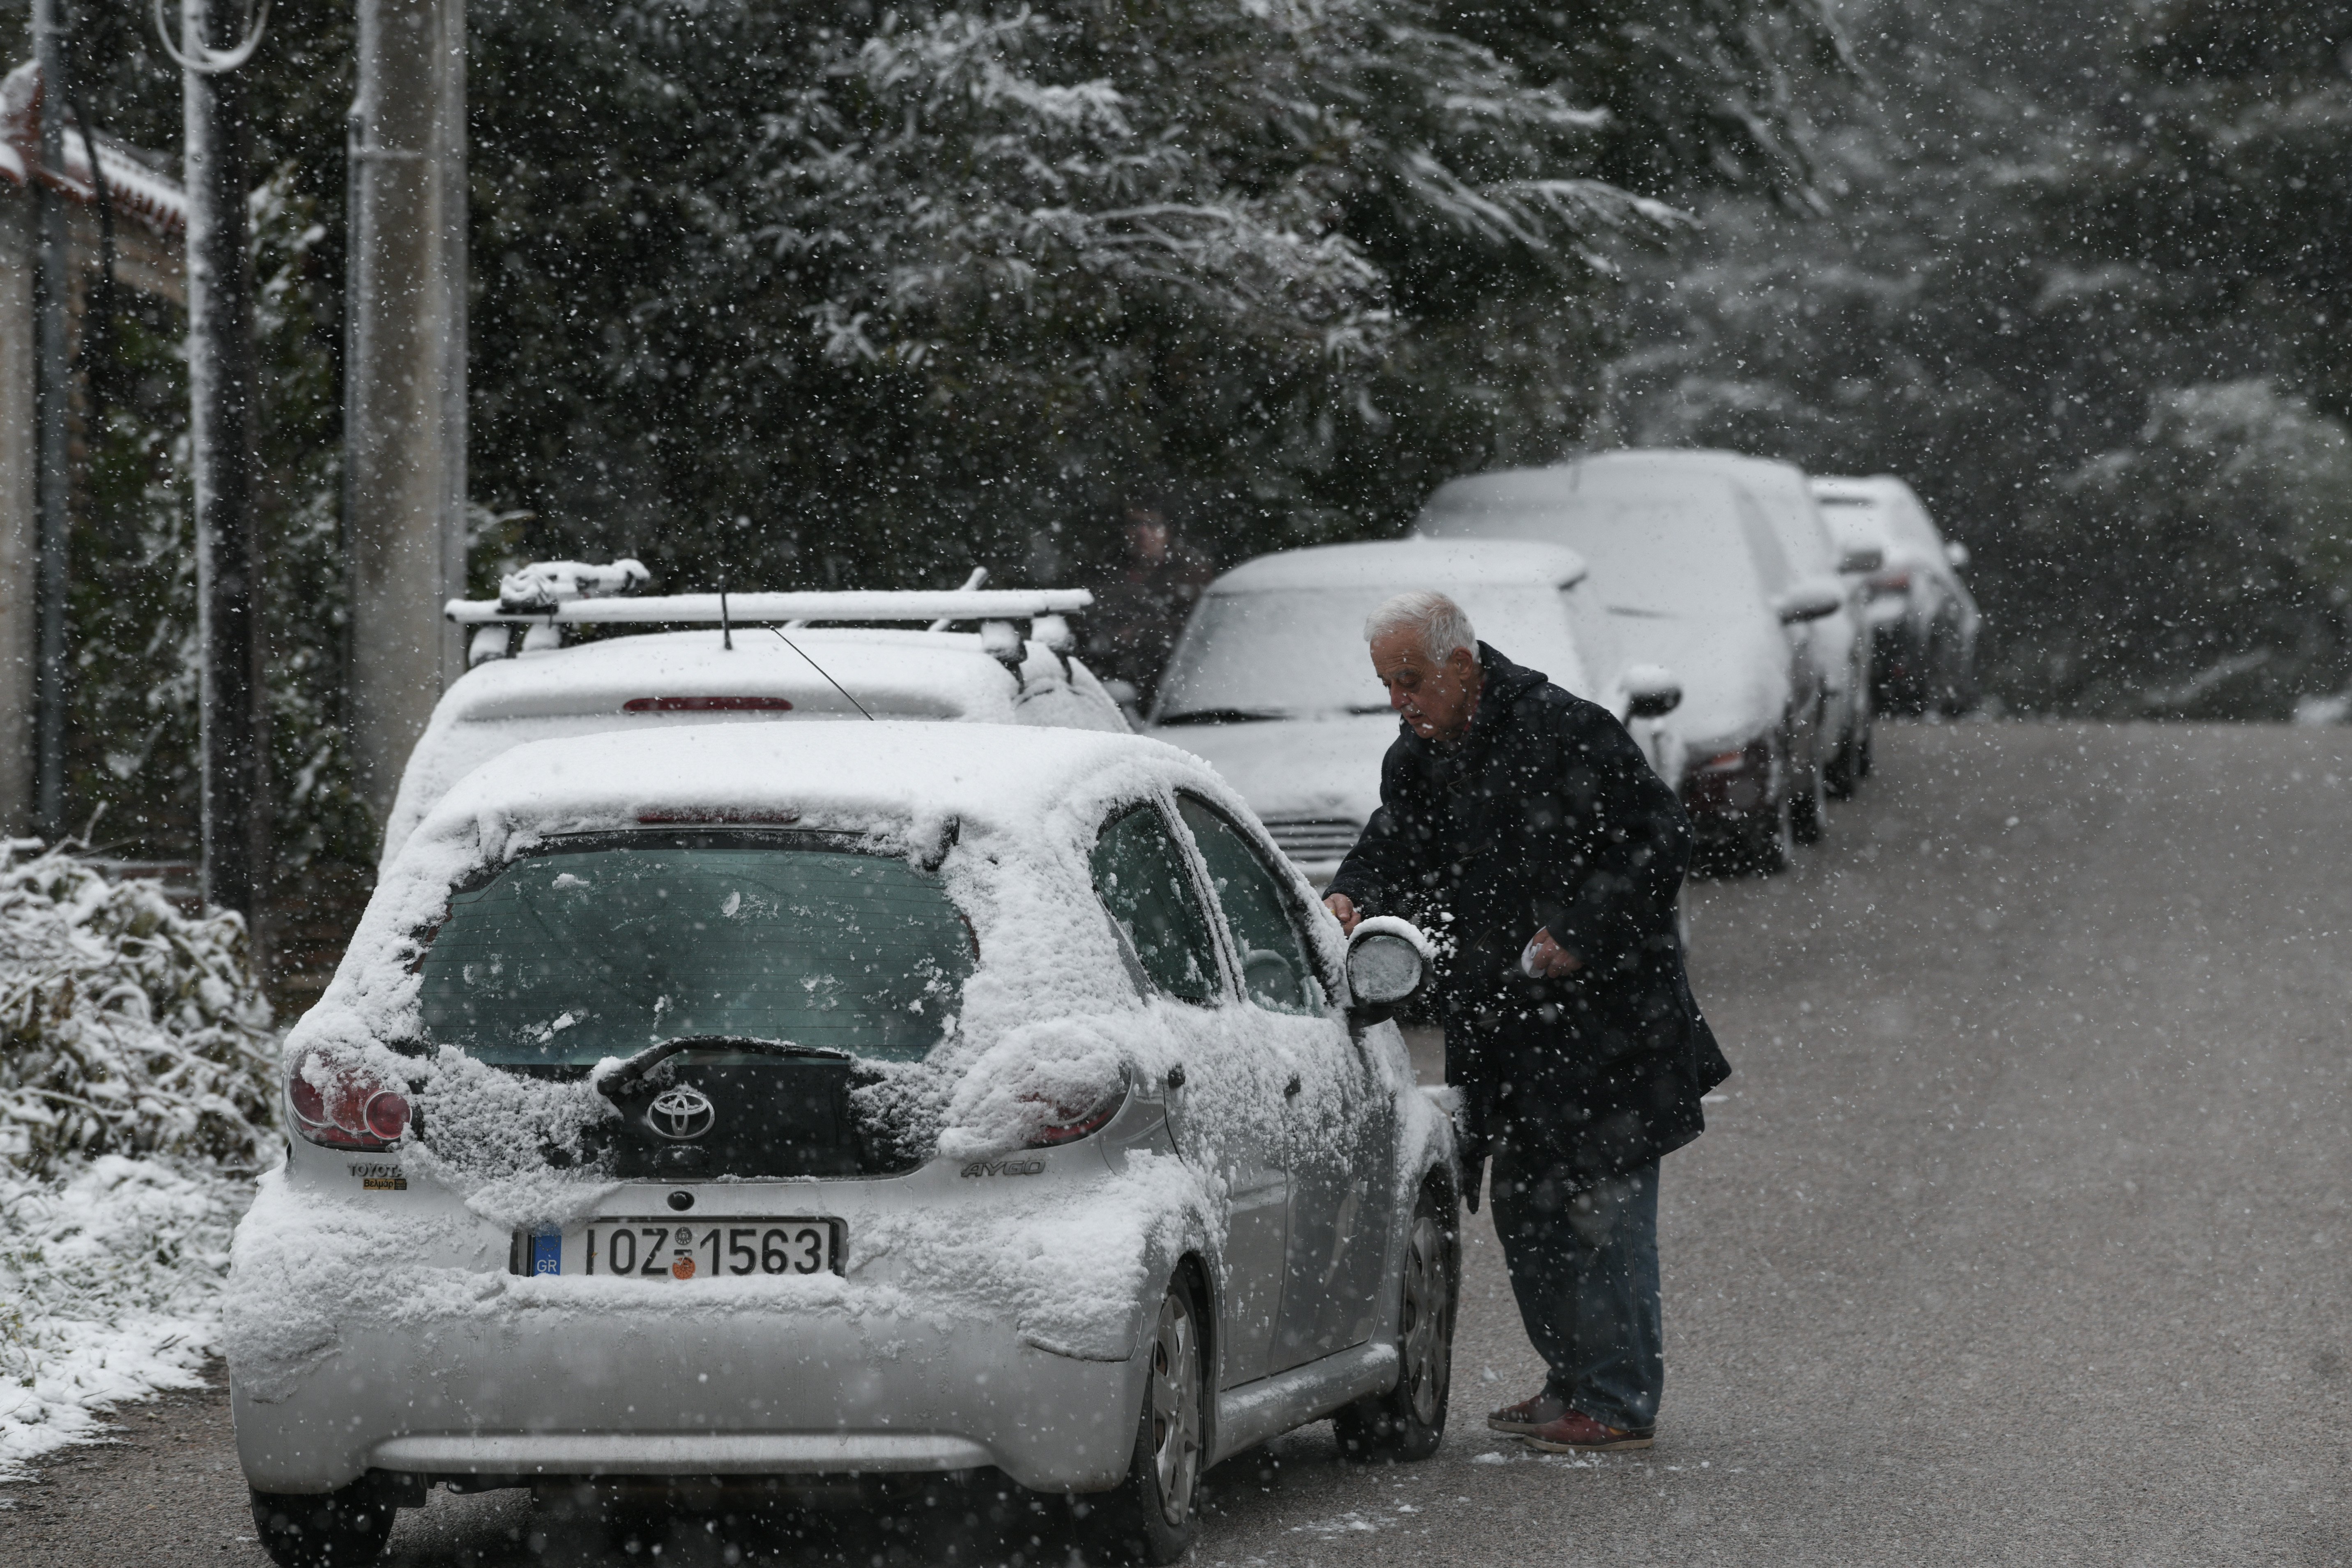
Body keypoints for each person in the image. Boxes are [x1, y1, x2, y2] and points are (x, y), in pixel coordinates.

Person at [1322, 590, 1729, 1453]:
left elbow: (1658, 839)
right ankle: (1570, 1380)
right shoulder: (1422, 756)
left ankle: (1618, 1397)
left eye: (1411, 680)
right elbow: (1394, 842)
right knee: (1527, 1209)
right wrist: (1353, 891)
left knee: (1600, 1210)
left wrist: (1580, 932)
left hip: (1605, 1026)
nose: (1400, 699)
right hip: (1507, 1028)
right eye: (1388, 683)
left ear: (1461, 668)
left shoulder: (1564, 731)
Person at [1082, 500, 1217, 710]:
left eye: (1153, 525)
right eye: (1135, 525)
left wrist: (1143, 632)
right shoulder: (1103, 577)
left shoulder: (1192, 575)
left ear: (1168, 533)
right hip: (1113, 695)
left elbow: (1201, 633)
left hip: (1179, 698)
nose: (1143, 533)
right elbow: (1088, 632)